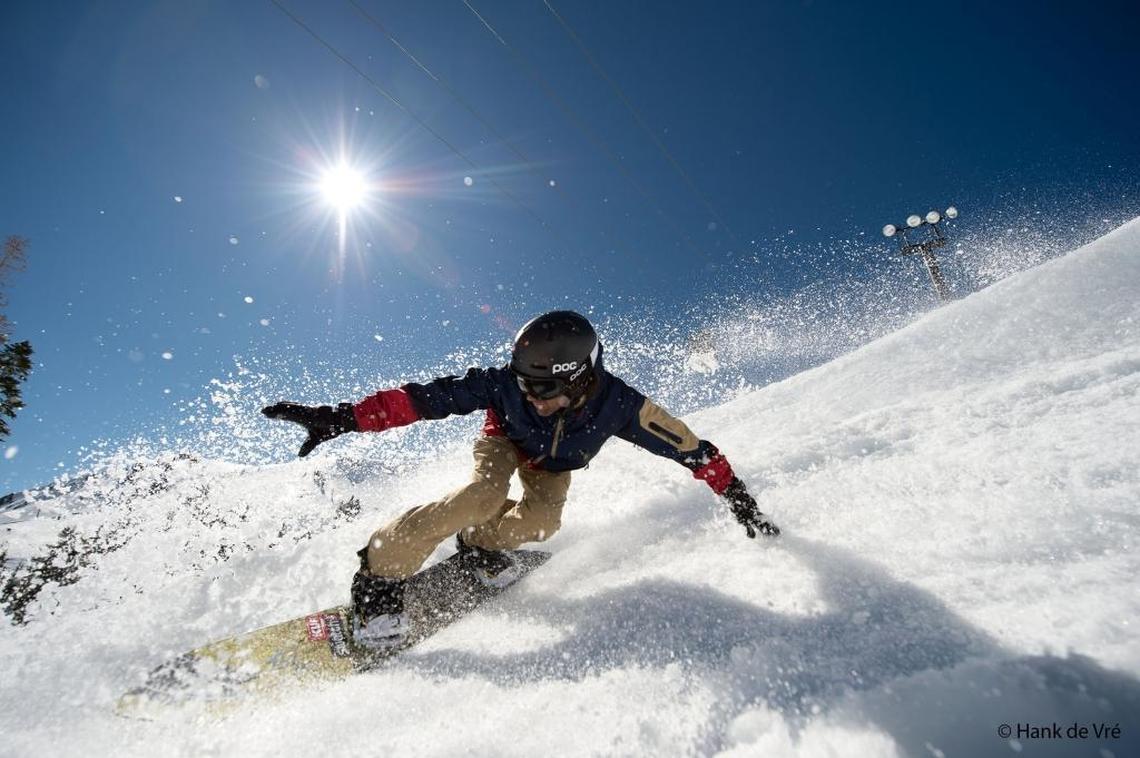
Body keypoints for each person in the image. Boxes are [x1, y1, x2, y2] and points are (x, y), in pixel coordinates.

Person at [262, 310, 779, 650]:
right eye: (524, 382)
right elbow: (423, 399)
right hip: (504, 443)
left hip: (552, 467)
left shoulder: (621, 406)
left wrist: (736, 496)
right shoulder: (505, 388)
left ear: (581, 379)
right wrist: (345, 418)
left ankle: (479, 544)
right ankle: (377, 577)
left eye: (543, 387)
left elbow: (691, 448)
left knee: (542, 523)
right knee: (484, 494)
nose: (530, 395)